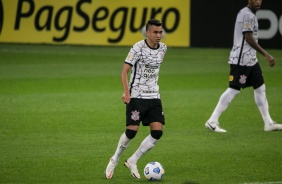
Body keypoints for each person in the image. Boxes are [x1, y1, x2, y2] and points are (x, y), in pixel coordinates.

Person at [205, 0, 282, 133]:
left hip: (251, 60)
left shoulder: (248, 13)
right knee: (234, 89)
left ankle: (268, 123)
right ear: (249, 0)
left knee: (260, 88)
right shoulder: (247, 15)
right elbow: (248, 38)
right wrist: (266, 54)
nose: (258, 2)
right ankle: (212, 121)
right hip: (241, 60)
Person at [105, 19, 167, 179]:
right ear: (148, 32)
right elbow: (124, 72)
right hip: (136, 96)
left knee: (157, 132)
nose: (159, 35)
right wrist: (126, 92)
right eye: (155, 32)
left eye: (160, 32)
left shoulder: (163, 49)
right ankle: (115, 159)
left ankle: (133, 160)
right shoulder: (138, 48)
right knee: (131, 132)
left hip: (154, 96)